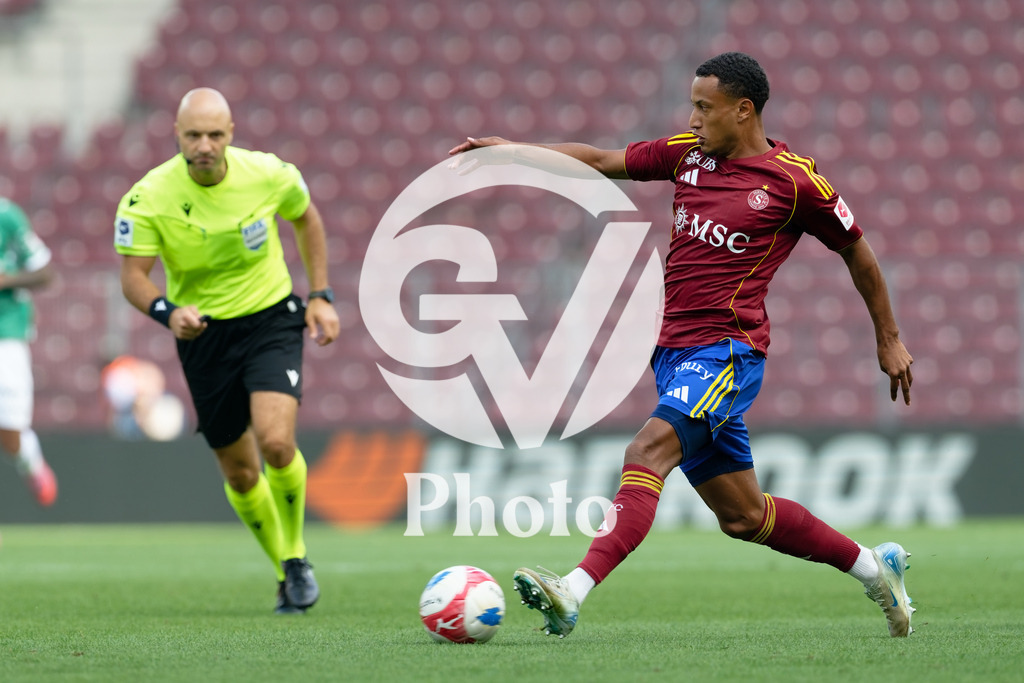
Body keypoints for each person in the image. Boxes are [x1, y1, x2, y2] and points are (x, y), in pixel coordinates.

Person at [449, 52, 916, 638]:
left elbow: (858, 252)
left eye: (704, 107)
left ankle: (572, 590)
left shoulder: (796, 182)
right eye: (691, 105)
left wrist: (889, 339)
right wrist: (513, 151)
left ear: (743, 110)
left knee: (646, 452)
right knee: (743, 516)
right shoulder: (688, 156)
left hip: (728, 354)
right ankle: (876, 568)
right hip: (674, 355)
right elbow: (598, 160)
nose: (693, 119)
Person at [114, 87, 340, 614]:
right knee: (240, 473)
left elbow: (306, 218)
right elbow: (133, 277)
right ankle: (284, 568)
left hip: (270, 318)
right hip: (204, 334)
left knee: (276, 443)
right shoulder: (147, 198)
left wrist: (320, 295)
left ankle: (296, 556)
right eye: (194, 135)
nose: (205, 145)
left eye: (215, 135)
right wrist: (168, 312)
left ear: (231, 134)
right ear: (177, 135)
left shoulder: (269, 174)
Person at [0, 196, 57, 506]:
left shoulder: (6, 216)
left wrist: (7, 280)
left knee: (9, 430)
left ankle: (30, 460)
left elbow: (45, 272)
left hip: (6, 332)